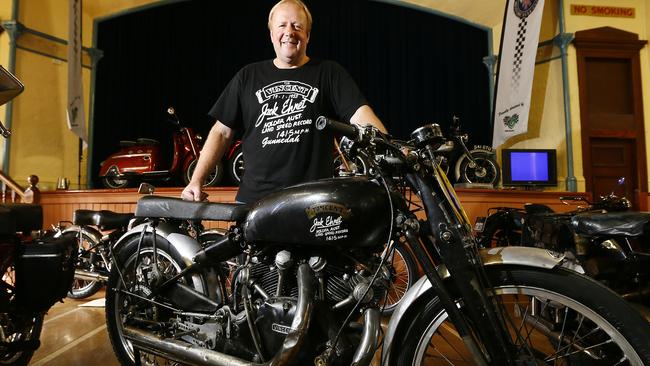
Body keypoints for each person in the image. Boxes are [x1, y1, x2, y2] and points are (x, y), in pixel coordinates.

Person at [181, 0, 386, 203]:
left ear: (307, 35)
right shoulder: (248, 76)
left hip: (312, 202)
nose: (289, 31)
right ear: (271, 35)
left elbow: (360, 115)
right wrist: (196, 180)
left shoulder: (329, 73)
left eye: (297, 26)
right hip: (255, 202)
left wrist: (391, 147)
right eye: (282, 25)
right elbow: (221, 131)